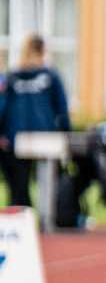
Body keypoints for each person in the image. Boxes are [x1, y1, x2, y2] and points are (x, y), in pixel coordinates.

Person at [0, 35, 70, 208]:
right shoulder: (51, 76)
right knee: (49, 183)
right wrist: (67, 134)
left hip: (15, 136)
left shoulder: (12, 77)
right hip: (46, 136)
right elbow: (61, 108)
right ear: (43, 51)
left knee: (18, 187)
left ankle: (23, 223)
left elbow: (2, 107)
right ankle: (48, 220)